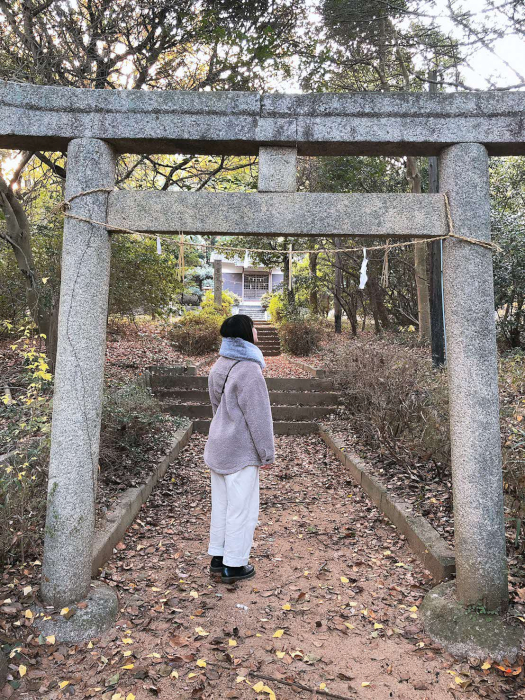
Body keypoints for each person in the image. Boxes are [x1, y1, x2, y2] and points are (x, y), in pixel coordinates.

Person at [204, 314, 275, 583]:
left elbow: (216, 408)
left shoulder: (218, 366)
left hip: (218, 445)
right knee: (242, 509)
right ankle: (234, 566)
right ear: (247, 333)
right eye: (254, 327)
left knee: (221, 506)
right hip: (240, 451)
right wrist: (266, 453)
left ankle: (218, 557)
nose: (257, 331)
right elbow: (259, 416)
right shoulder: (249, 370)